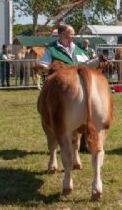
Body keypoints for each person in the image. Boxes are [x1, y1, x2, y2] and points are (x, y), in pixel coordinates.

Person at [39, 24, 103, 152]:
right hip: (57, 88)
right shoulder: (51, 49)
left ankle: (83, 143)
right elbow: (42, 64)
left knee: (86, 109)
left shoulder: (78, 49)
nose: (72, 37)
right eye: (70, 34)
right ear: (61, 34)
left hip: (78, 86)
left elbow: (85, 64)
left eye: (73, 34)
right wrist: (55, 68)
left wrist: (97, 61)